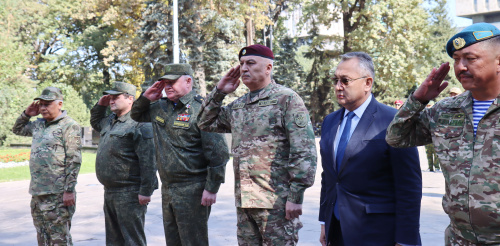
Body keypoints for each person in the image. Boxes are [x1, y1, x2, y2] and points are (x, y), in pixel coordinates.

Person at [386, 23, 500, 244]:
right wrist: (418, 100)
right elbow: (396, 137)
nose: (461, 67)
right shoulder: (445, 110)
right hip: (459, 239)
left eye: (470, 58)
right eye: (456, 59)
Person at [197, 44, 317, 245]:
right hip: (245, 202)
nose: (244, 68)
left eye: (251, 63)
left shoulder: (286, 99)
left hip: (276, 203)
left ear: (268, 68)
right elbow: (204, 122)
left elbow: (304, 150)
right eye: (242, 64)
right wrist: (219, 91)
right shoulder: (239, 105)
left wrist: (296, 195)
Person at [318, 52, 422, 246]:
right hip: (338, 230)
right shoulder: (330, 122)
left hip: (379, 232)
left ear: (367, 83)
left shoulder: (393, 121)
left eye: (345, 80)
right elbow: (330, 177)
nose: (338, 86)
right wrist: (325, 221)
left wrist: (406, 240)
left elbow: (409, 187)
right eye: (335, 80)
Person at [130, 63, 229, 246]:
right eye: (165, 82)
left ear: (188, 81)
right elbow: (135, 115)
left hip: (193, 188)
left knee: (193, 241)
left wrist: (212, 187)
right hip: (169, 188)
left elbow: (219, 153)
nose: (167, 86)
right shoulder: (161, 107)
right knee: (173, 241)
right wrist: (145, 98)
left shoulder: (202, 109)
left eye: (172, 82)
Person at [12, 86, 82, 245]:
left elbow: (74, 159)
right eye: (41, 104)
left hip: (57, 194)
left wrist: (69, 190)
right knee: (42, 238)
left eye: (47, 104)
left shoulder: (69, 126)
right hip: (38, 192)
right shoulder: (38, 125)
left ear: (60, 104)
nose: (43, 108)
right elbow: (17, 129)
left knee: (59, 240)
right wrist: (26, 114)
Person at [90, 82, 158, 246]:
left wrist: (146, 191)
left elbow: (149, 160)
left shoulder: (139, 123)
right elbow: (95, 121)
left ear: (130, 99)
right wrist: (100, 105)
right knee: (113, 240)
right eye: (110, 97)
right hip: (111, 191)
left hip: (130, 192)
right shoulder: (110, 120)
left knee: (132, 240)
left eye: (116, 97)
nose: (111, 101)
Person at [424, 101, 440, 172]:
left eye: (430, 105)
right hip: (427, 138)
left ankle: (437, 167)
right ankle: (430, 167)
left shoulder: (437, 115)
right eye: (427, 106)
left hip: (436, 138)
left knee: (436, 154)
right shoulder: (425, 116)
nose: (428, 107)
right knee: (428, 153)